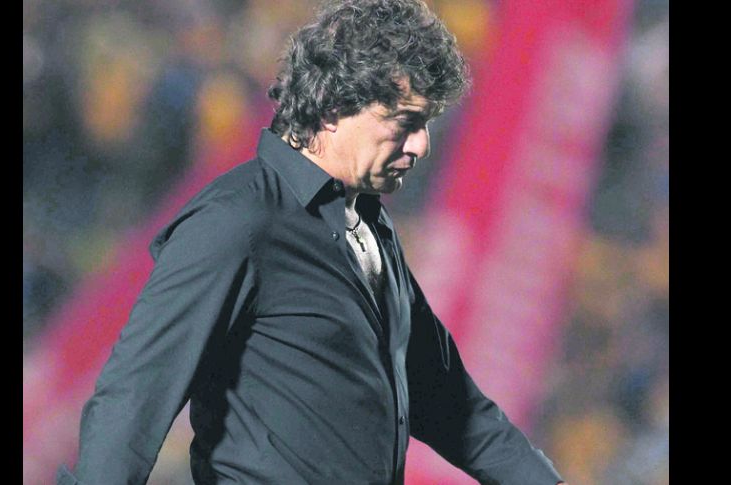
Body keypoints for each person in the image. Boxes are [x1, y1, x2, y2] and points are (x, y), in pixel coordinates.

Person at [57, 0, 566, 483]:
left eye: (426, 124)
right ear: (333, 107)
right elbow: (135, 397)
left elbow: (447, 400)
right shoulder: (236, 221)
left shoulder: (371, 226)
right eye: (406, 123)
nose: (421, 145)